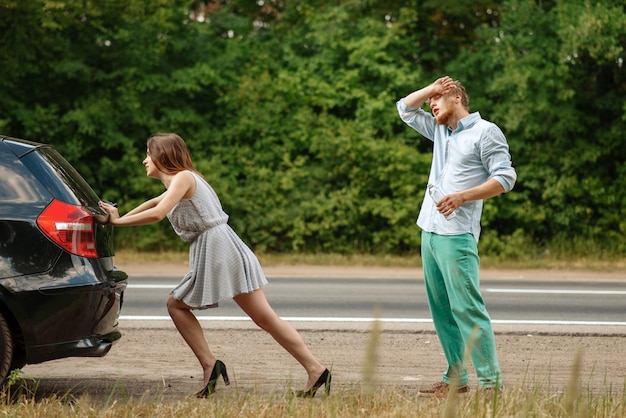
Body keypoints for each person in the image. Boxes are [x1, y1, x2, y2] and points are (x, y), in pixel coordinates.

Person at [98, 133, 331, 398]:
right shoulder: (178, 182)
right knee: (263, 318)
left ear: (163, 155)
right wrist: (118, 216)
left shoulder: (184, 177)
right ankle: (314, 369)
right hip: (219, 246)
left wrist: (116, 223)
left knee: (179, 304)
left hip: (220, 248)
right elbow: (154, 203)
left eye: (148, 154)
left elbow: (157, 213)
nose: (144, 160)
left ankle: (212, 366)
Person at [396, 76, 516, 396]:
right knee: (442, 310)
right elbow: (404, 109)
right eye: (431, 98)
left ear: (458, 97)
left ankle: (491, 385)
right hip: (430, 230)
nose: (431, 103)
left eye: (438, 97)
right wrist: (430, 88)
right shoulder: (439, 130)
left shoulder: (485, 132)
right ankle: (456, 377)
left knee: (467, 309)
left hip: (457, 235)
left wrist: (464, 196)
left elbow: (505, 178)